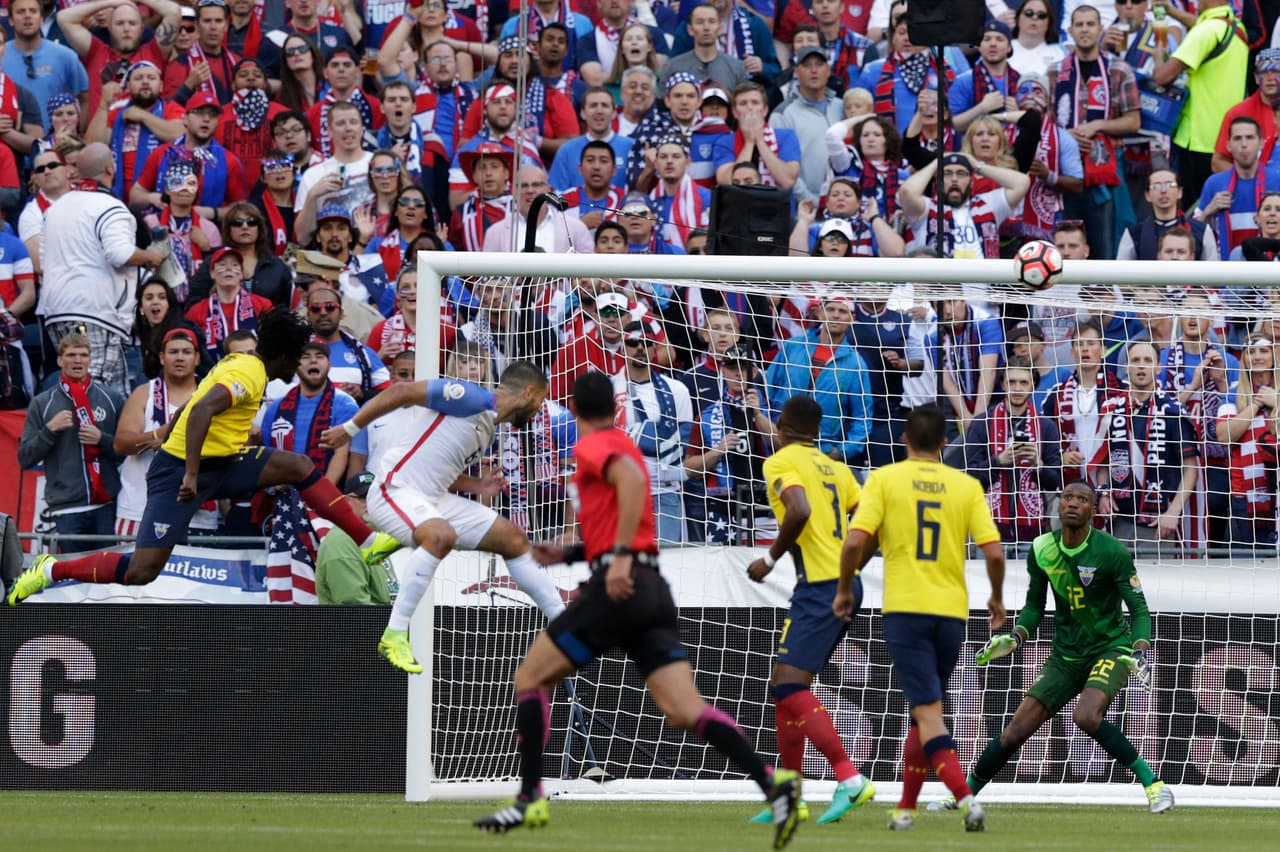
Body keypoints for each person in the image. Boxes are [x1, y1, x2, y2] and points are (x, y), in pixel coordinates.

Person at [471, 372, 802, 847]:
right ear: (616, 406)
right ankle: (774, 784)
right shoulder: (625, 444)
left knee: (530, 679)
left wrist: (619, 558)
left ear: (574, 408)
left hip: (618, 587)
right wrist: (565, 554)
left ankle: (529, 799)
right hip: (650, 588)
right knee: (684, 709)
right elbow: (619, 518)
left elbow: (626, 489)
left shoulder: (595, 446)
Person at [8, 309, 401, 606]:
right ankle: (50, 570)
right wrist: (191, 473)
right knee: (142, 571)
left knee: (299, 467)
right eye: (296, 356)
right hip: (180, 474)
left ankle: (368, 541)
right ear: (282, 354)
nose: (298, 366)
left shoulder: (244, 367)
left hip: (223, 463)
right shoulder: (249, 372)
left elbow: (192, 406)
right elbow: (201, 411)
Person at [319, 361, 567, 673]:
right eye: (540, 402)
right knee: (440, 535)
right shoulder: (470, 397)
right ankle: (394, 634)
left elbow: (437, 469)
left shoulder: (489, 426)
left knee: (513, 538)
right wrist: (350, 428)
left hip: (431, 498)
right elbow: (402, 390)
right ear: (529, 393)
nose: (538, 411)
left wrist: (477, 485)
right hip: (393, 489)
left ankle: (562, 622)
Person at [945, 480, 1174, 814]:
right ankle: (963, 795)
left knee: (1086, 716)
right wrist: (1017, 635)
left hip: (1109, 648)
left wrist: (1139, 649)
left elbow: (1139, 610)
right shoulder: (1042, 549)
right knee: (1014, 733)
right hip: (1065, 656)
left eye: (1082, 499)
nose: (1072, 503)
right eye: (1067, 497)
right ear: (1058, 504)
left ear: (1093, 510)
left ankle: (1154, 785)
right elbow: (1035, 606)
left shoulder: (1112, 552)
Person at [835, 405, 1006, 833]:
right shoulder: (966, 485)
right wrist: (998, 599)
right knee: (923, 712)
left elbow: (855, 540)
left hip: (907, 610)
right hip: (951, 613)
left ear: (905, 441)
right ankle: (905, 808)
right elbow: (995, 551)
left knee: (929, 713)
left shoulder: (885, 479)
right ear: (946, 443)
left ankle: (966, 798)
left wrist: (843, 587)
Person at [743, 395, 874, 825]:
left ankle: (850, 779)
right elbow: (873, 523)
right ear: (817, 431)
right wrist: (852, 568)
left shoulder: (780, 462)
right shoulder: (837, 468)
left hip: (818, 588)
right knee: (786, 684)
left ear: (780, 425)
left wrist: (770, 558)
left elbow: (798, 509)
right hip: (842, 585)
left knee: (789, 688)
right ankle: (790, 797)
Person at [38, 142, 167, 398]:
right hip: (94, 311)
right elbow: (120, 254)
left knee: (113, 392)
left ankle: (106, 438)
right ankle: (81, 439)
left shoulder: (55, 210)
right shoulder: (110, 207)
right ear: (111, 168)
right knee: (92, 391)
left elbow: (42, 262)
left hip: (55, 311)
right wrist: (150, 256)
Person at [18, 334, 125, 554]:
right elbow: (25, 458)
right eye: (71, 355)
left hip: (106, 506)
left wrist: (102, 440)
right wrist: (50, 431)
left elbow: (126, 451)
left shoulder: (112, 398)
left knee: (107, 579)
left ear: (90, 360)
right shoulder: (42, 403)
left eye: (83, 355)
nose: (78, 360)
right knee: (72, 579)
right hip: (67, 510)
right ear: (59, 361)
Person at [112, 328, 217, 539]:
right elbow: (121, 444)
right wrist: (159, 434)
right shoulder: (144, 393)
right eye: (173, 352)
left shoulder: (212, 396)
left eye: (186, 352)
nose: (179, 357)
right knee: (133, 572)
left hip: (197, 513)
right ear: (161, 357)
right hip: (139, 510)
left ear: (197, 358)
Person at [964, 357, 1063, 544]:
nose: (1017, 388)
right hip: (987, 526)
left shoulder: (1046, 425)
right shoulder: (981, 423)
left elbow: (1055, 481)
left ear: (1033, 385)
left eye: (1023, 382)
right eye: (1012, 382)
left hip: (1033, 529)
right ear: (1002, 384)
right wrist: (999, 461)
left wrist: (1038, 464)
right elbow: (969, 476)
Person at [316, 472, 399, 605]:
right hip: (363, 625)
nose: (372, 503)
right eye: (364, 497)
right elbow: (355, 610)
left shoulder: (374, 537)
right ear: (346, 501)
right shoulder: (342, 543)